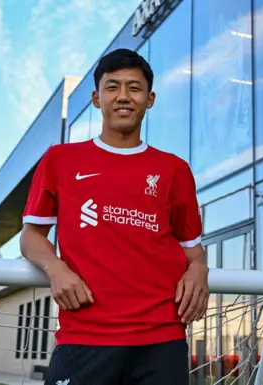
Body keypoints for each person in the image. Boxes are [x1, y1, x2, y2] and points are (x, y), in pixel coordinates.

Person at [20, 48, 209, 385]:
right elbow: (31, 236)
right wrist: (56, 269)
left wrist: (199, 270)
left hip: (161, 339)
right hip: (84, 335)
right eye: (113, 87)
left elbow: (193, 250)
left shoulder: (175, 169)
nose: (123, 96)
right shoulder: (60, 160)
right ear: (96, 98)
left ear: (149, 99)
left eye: (134, 88)